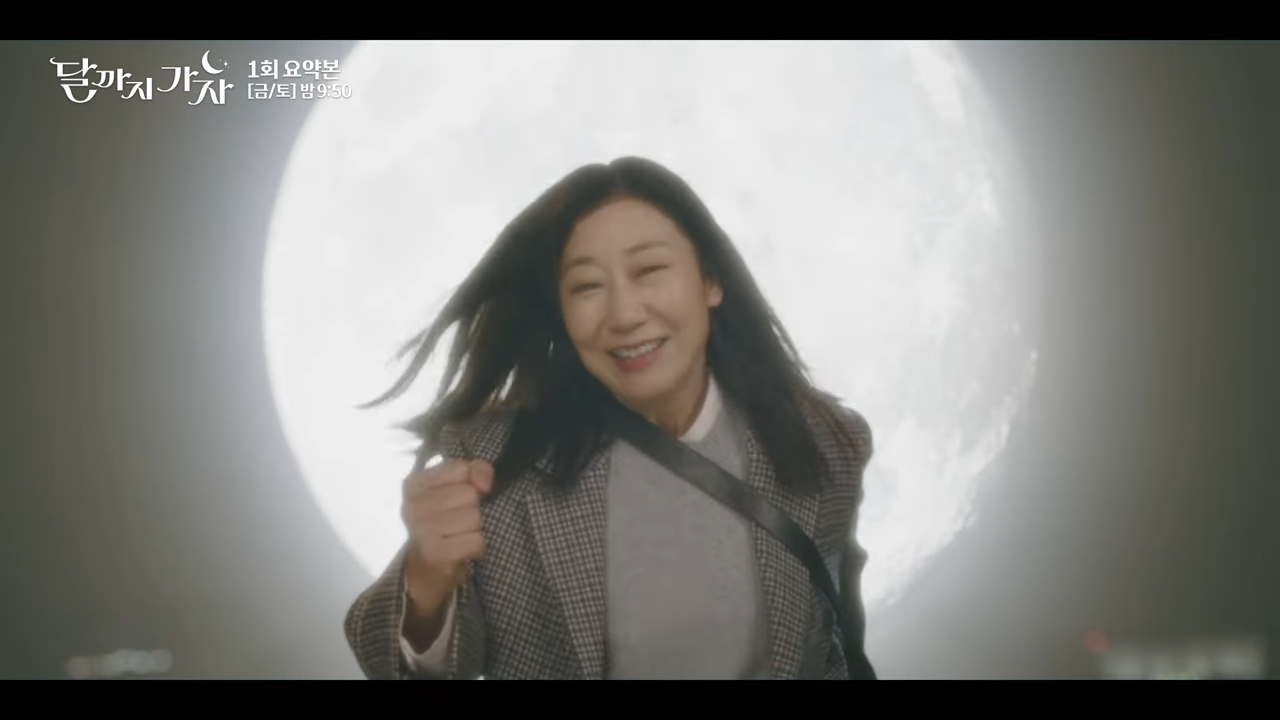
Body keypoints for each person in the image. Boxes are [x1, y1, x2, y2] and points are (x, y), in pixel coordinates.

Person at [344, 156, 875, 680]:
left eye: (649, 271)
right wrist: (427, 582)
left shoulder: (825, 444)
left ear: (710, 280)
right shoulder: (494, 465)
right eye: (587, 286)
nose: (624, 314)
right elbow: (392, 658)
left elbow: (829, 645)